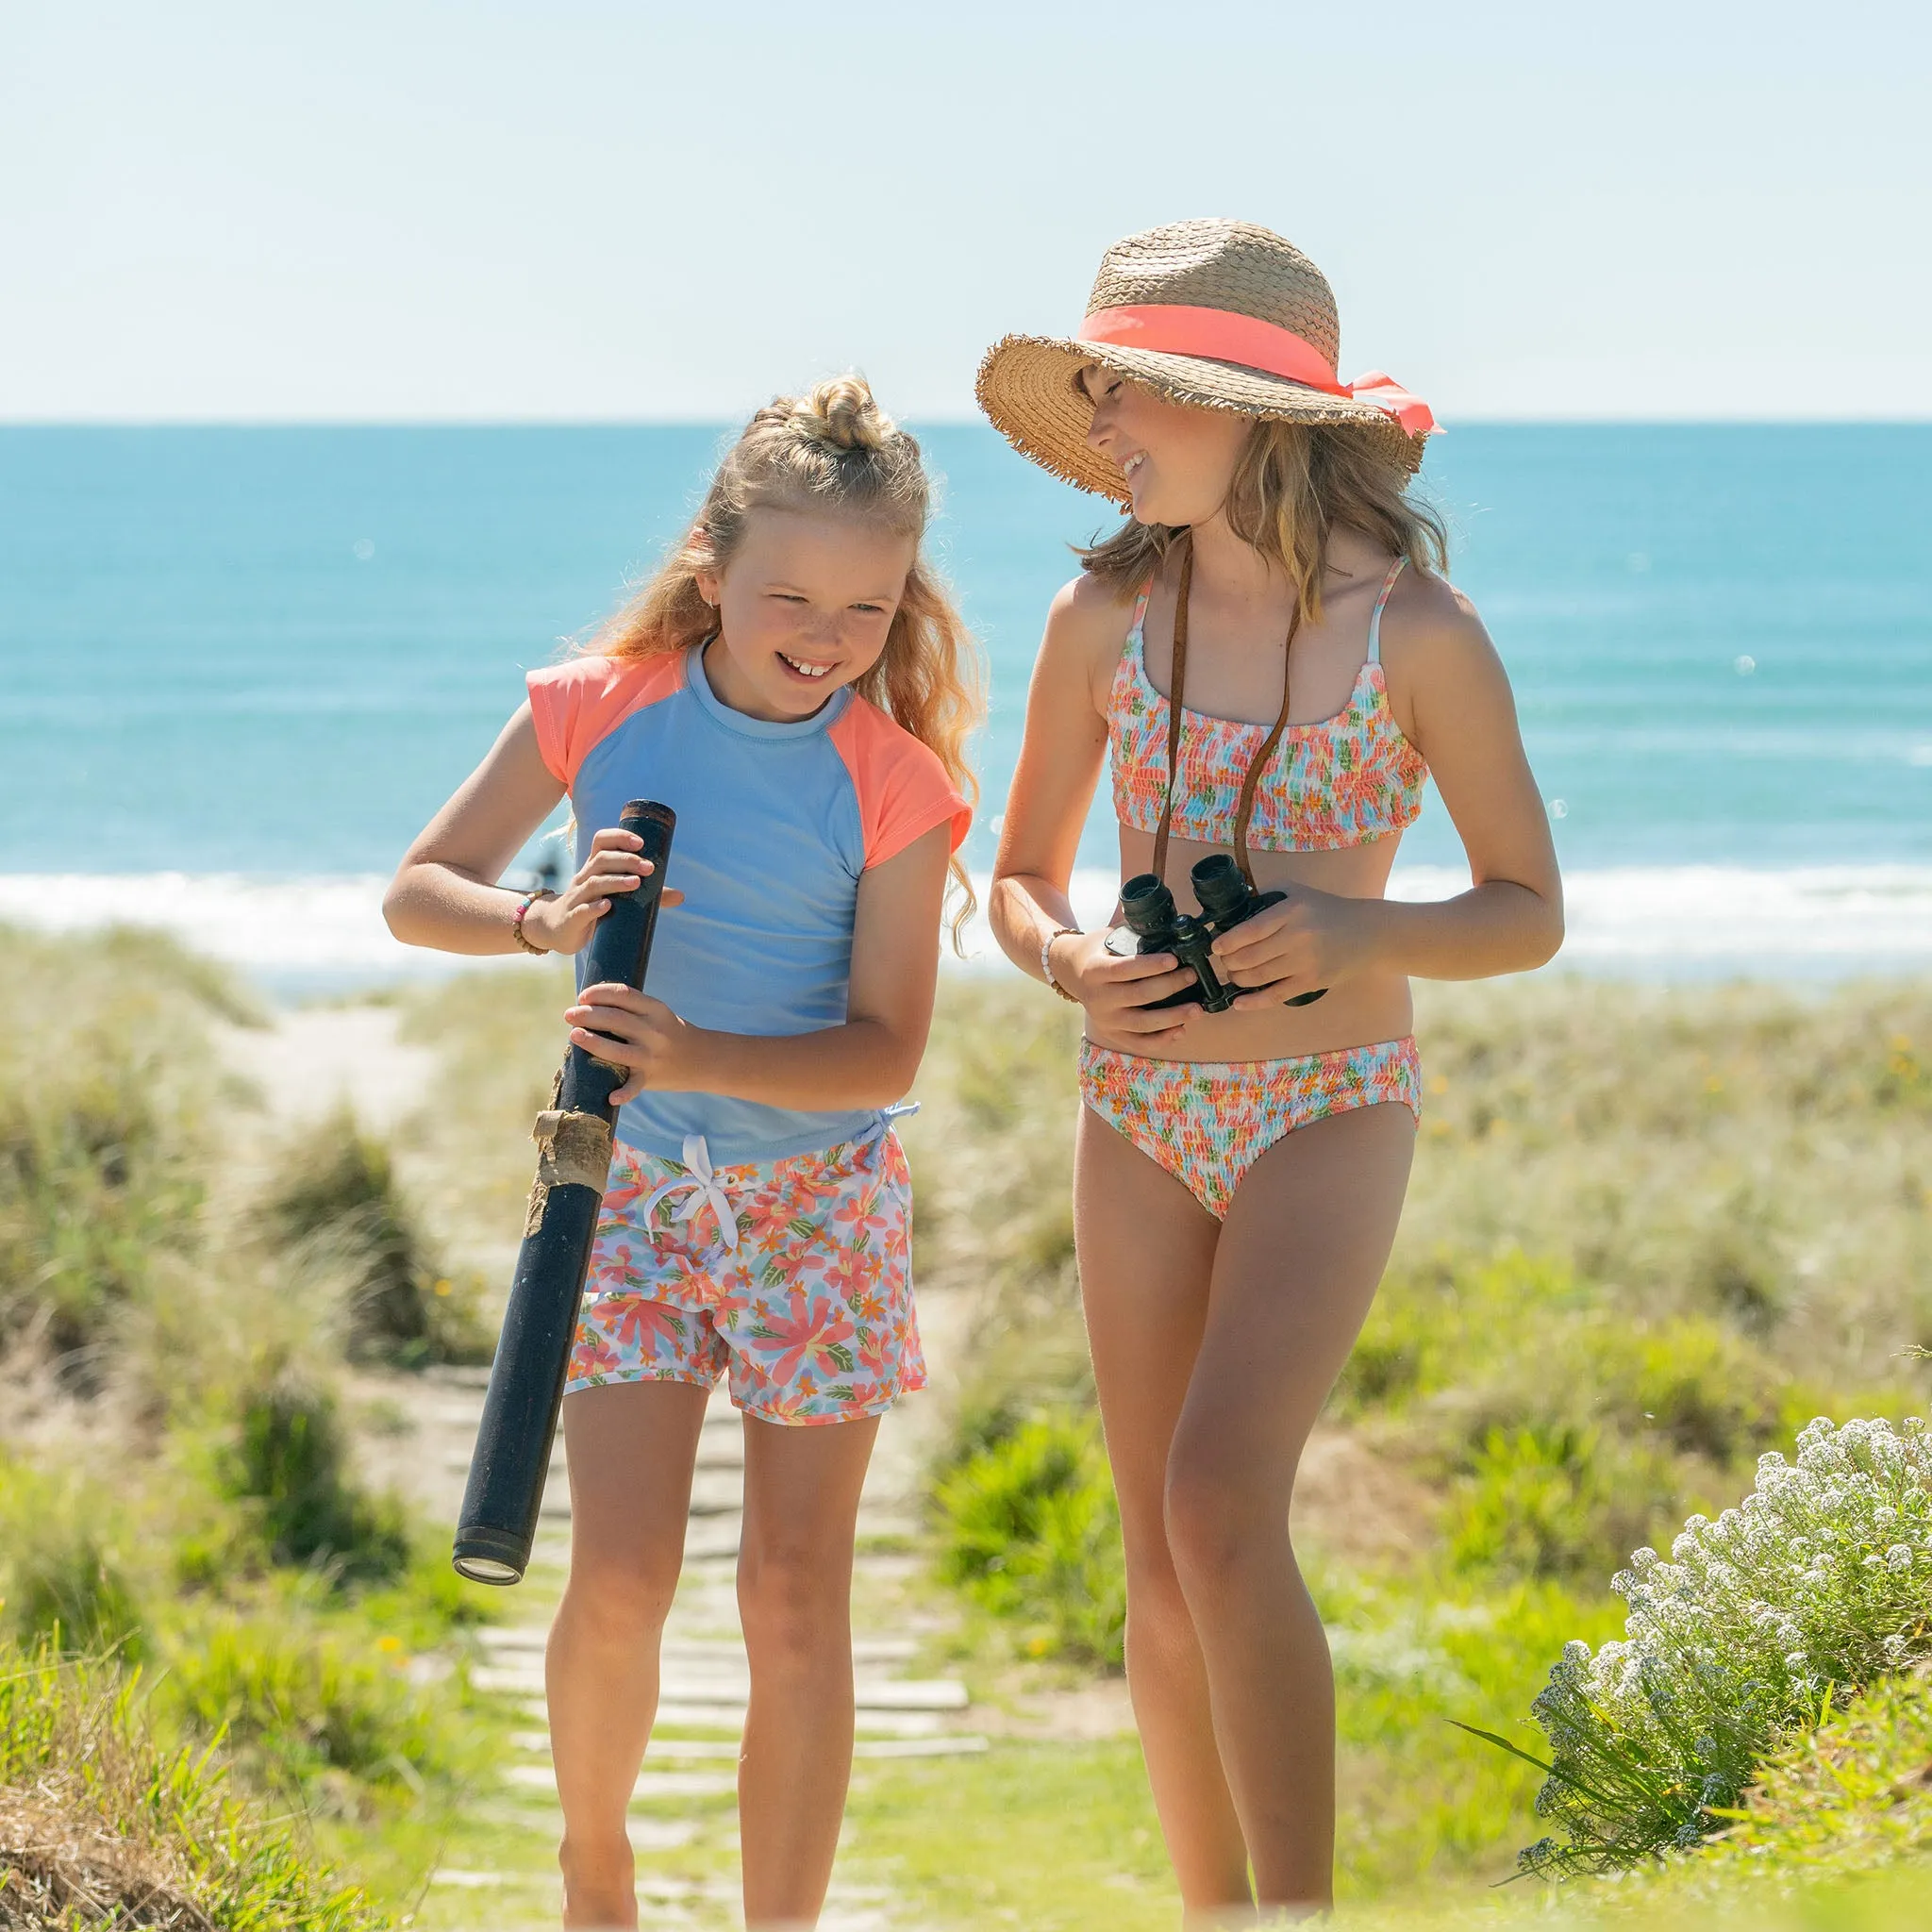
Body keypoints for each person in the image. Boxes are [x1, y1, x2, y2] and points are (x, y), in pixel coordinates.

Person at [977, 220, 1563, 1919]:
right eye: (1095, 392)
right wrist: (1070, 960)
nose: (1107, 424)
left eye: (1134, 392)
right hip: (1137, 1110)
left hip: (1331, 1108)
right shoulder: (1100, 617)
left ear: (1251, 413)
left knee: (1223, 1502)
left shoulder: (1421, 637)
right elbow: (1018, 876)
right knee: (1159, 1556)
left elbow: (1525, 912)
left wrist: (1358, 930)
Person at [384, 376, 977, 1931]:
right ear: (712, 567)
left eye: (869, 601)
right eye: (789, 591)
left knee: (791, 1594)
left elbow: (888, 1048)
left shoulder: (900, 786)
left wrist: (692, 1052)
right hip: (622, 1189)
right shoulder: (597, 703)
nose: (827, 629)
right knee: (627, 1573)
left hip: (820, 1207)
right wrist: (540, 919)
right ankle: (598, 1882)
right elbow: (418, 889)